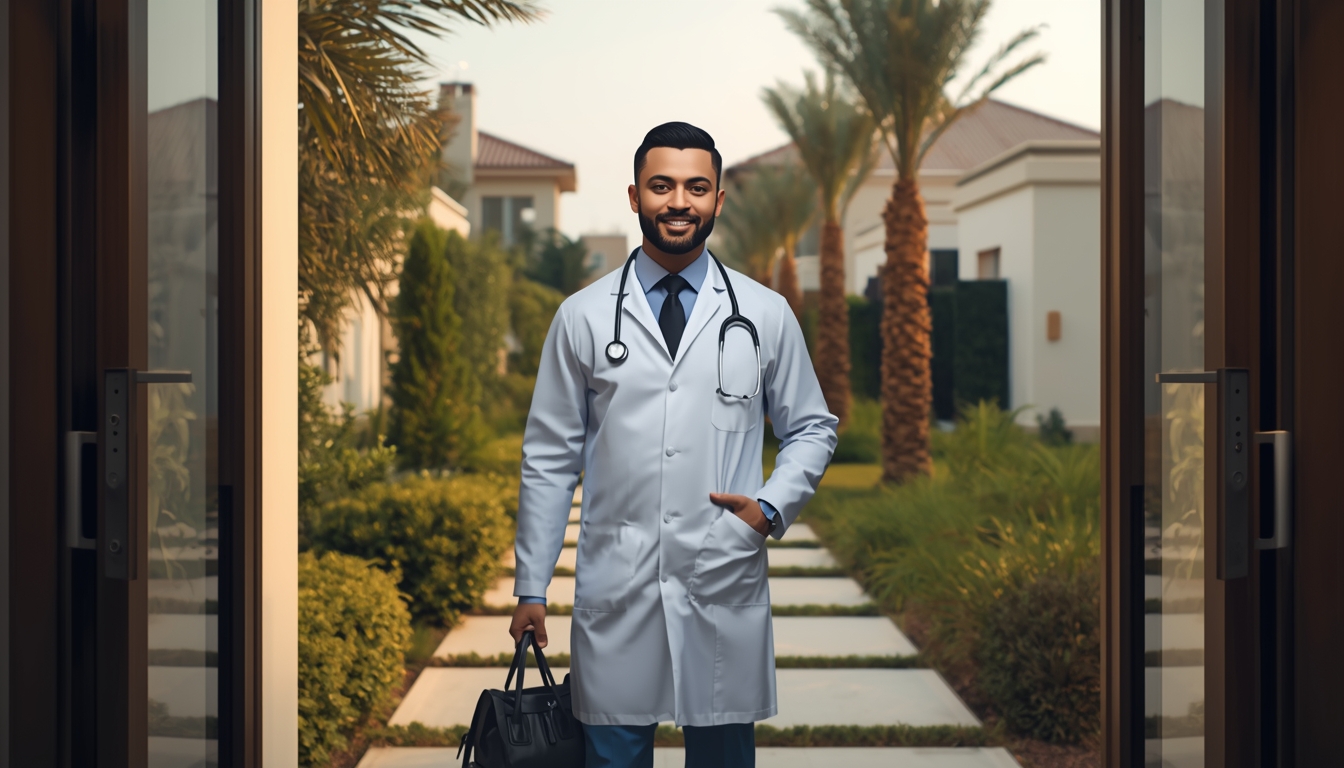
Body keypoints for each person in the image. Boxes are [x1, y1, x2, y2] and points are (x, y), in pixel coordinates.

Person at [509, 122, 837, 768]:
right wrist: (531, 587)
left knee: (722, 756)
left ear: (718, 200)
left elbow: (811, 427)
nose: (678, 202)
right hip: (619, 578)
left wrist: (768, 509)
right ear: (635, 197)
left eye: (696, 187)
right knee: (613, 757)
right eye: (661, 186)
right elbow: (549, 458)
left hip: (721, 569)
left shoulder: (764, 313)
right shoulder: (583, 315)